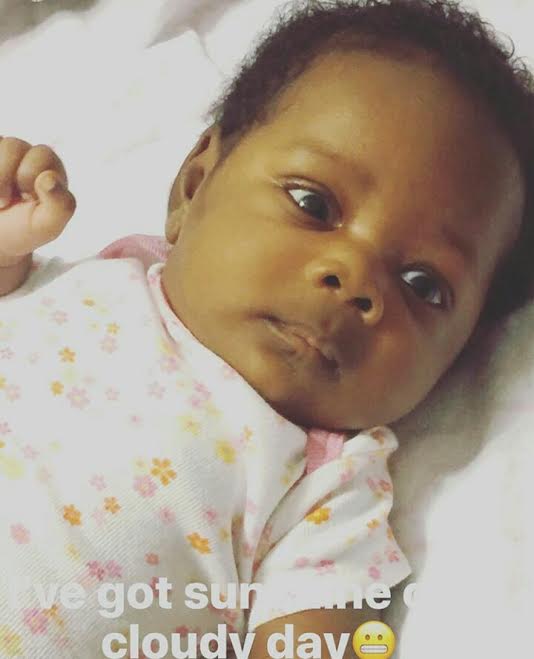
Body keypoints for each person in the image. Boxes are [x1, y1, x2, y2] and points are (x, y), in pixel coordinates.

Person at [0, 0, 532, 656]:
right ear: (194, 185)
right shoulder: (80, 277)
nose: (354, 277)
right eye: (314, 204)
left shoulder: (327, 492)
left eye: (423, 284)